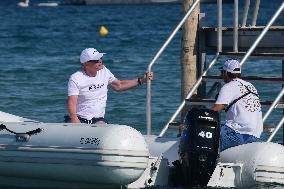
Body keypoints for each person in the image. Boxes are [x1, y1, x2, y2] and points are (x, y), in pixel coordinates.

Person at [67, 48, 153, 124]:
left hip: (98, 120)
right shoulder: (76, 78)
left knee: (102, 127)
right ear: (85, 64)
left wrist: (141, 80)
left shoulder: (104, 71)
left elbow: (119, 85)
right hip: (80, 118)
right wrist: (75, 120)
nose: (100, 60)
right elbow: (72, 102)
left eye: (100, 58)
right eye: (96, 59)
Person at [212, 59, 263, 151]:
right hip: (255, 136)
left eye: (222, 72)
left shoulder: (229, 86)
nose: (221, 75)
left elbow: (215, 111)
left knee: (205, 133)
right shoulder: (251, 86)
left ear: (226, 73)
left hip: (236, 135)